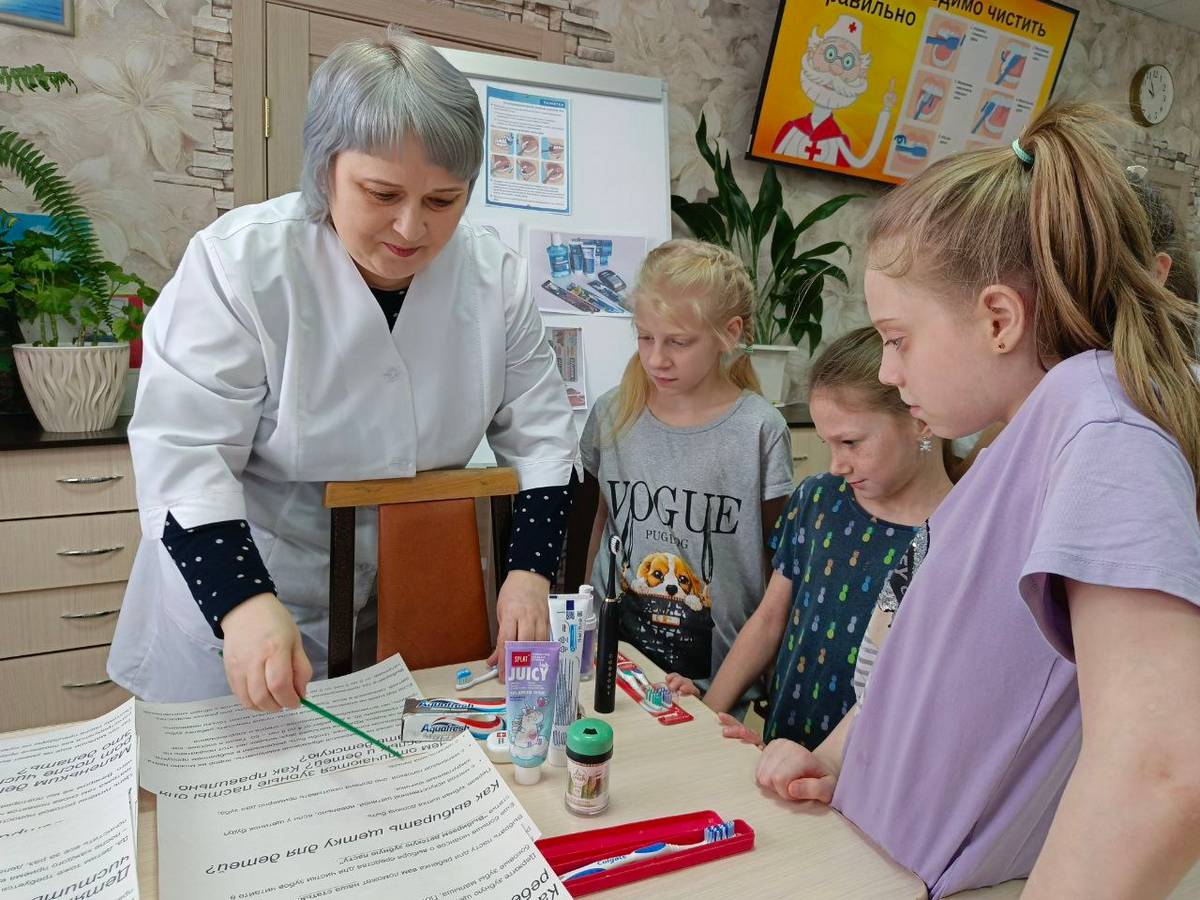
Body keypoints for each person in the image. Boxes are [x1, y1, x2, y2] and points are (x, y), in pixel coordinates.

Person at [754, 103, 1200, 899]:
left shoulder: (1105, 432)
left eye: (899, 339)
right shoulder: (1024, 442)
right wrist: (841, 758)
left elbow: (1161, 771)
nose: (888, 371)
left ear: (998, 318)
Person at [107, 27, 578, 710]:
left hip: (396, 595)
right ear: (324, 168)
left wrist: (530, 573)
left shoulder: (492, 277)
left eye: (442, 201)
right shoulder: (240, 264)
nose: (411, 229)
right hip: (245, 584)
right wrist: (242, 603)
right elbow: (185, 453)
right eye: (381, 194)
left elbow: (544, 439)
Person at [687, 326, 951, 747]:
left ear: (920, 420)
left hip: (867, 766)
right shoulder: (818, 498)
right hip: (782, 743)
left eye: (850, 442)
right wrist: (707, 716)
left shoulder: (957, 536)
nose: (836, 465)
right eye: (829, 444)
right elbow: (768, 620)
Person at [580, 239, 793, 703]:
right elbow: (599, 524)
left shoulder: (759, 429)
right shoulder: (611, 413)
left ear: (729, 334)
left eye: (678, 342)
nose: (657, 358)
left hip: (714, 682)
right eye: (645, 337)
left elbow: (775, 560)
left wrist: (759, 673)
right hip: (613, 664)